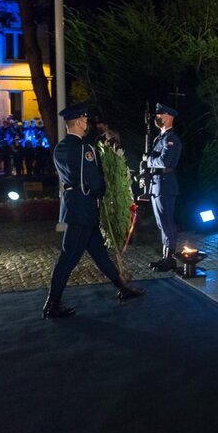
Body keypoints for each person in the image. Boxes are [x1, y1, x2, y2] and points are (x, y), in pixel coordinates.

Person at [43, 103, 145, 319]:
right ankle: (52, 304)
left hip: (73, 205)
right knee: (67, 258)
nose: (87, 124)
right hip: (84, 209)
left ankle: (123, 288)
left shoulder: (59, 148)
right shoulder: (85, 149)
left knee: (99, 253)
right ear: (80, 122)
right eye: (85, 120)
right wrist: (106, 191)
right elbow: (95, 183)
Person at [145, 103, 182, 272]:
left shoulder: (171, 139)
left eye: (159, 115)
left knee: (167, 222)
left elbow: (164, 161)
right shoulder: (160, 138)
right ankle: (165, 256)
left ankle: (170, 258)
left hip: (165, 184)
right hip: (157, 184)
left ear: (168, 117)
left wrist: (148, 160)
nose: (157, 118)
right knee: (161, 223)